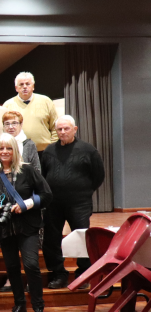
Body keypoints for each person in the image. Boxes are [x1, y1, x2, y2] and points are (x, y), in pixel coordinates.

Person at [0, 134, 53, 312]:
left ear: (15, 150)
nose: (4, 152)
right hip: (5, 227)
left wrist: (27, 204)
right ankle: (19, 307)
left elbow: (47, 195)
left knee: (31, 265)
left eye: (8, 148)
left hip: (27, 226)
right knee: (12, 267)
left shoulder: (28, 170)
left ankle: (38, 309)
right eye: (1, 149)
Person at [41, 115, 106, 289]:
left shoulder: (88, 150)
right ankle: (58, 274)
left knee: (82, 237)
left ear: (75, 129)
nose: (63, 132)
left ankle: (83, 275)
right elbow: (43, 175)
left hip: (79, 203)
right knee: (51, 239)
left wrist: (83, 191)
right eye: (59, 129)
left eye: (66, 128)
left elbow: (98, 175)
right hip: (53, 204)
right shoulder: (49, 151)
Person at [3, 72, 58, 151]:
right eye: (21, 84)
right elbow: (3, 130)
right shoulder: (8, 105)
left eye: (28, 84)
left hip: (44, 151)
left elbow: (55, 126)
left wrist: (52, 147)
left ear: (33, 86)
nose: (25, 87)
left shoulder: (46, 101)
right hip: (17, 151)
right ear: (16, 88)